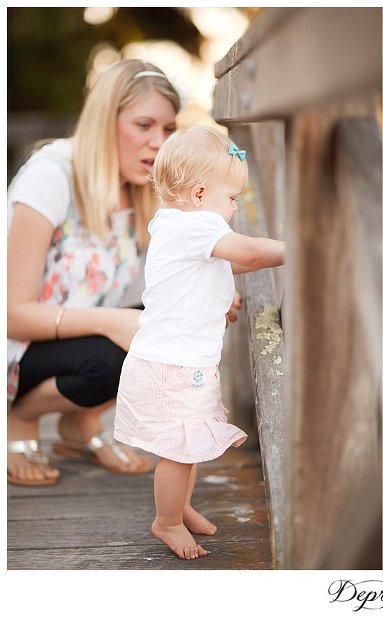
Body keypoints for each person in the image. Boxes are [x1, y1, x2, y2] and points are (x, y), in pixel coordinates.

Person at [7, 59, 183, 486]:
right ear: (107, 122)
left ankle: (78, 425)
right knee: (112, 359)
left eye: (168, 130)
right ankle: (19, 416)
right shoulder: (51, 178)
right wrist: (113, 320)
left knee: (188, 318)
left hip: (70, 335)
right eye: (144, 125)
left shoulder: (138, 190)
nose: (158, 143)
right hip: (16, 344)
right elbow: (12, 314)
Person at [113, 126, 286, 560]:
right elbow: (244, 252)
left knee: (186, 448)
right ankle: (166, 521)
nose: (233, 208)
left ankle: (181, 506)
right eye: (231, 199)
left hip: (179, 362)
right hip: (174, 367)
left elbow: (226, 264)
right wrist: (298, 247)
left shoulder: (177, 225)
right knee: (178, 450)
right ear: (199, 193)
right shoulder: (196, 226)